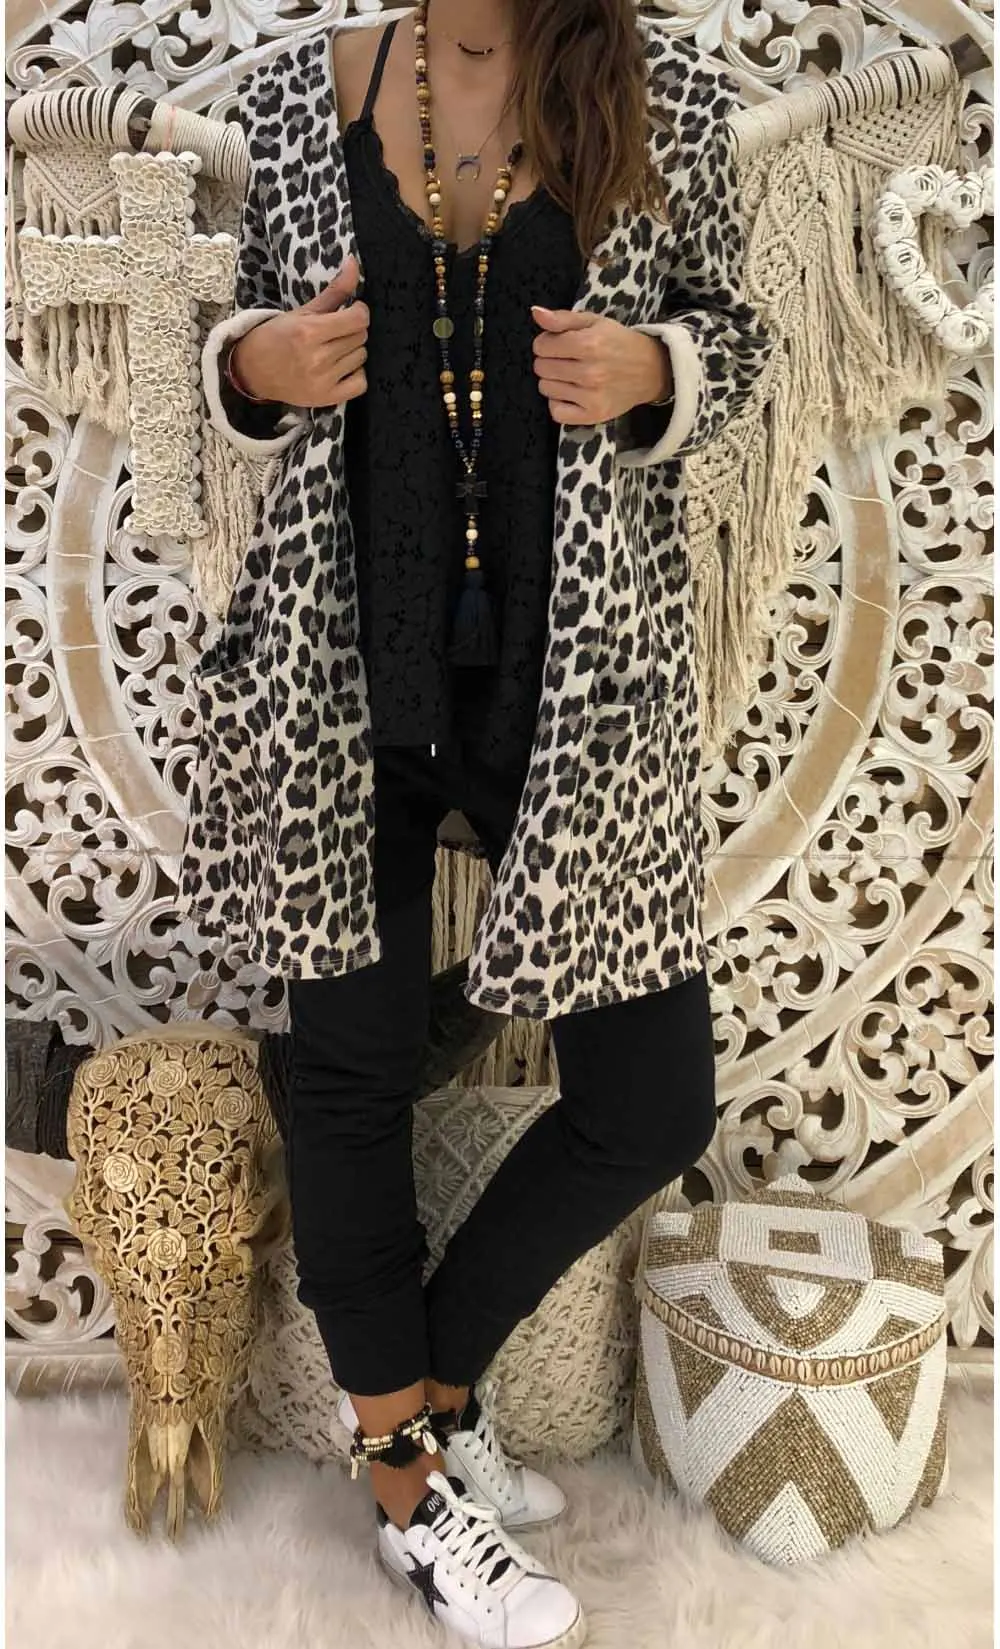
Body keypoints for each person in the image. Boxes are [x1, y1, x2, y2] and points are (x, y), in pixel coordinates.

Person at [188, 2, 775, 1643]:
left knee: (649, 1100)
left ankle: (420, 1403)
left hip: (574, 677)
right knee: (352, 1068)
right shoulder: (312, 90)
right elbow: (227, 338)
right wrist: (254, 368)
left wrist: (660, 370)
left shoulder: (659, 85)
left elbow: (743, 340)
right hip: (342, 664)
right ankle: (408, 1492)